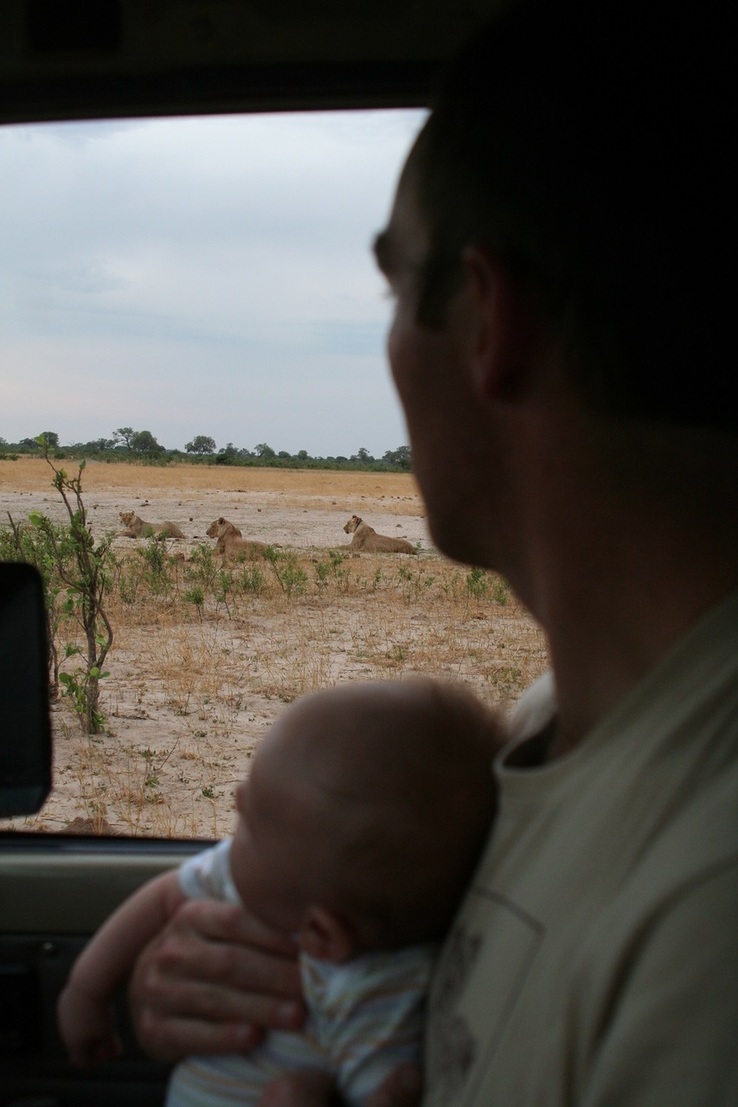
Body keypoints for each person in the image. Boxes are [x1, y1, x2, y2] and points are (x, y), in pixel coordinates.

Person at [128, 0, 738, 1103]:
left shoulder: (708, 912)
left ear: (488, 323)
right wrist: (228, 972)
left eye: (394, 287)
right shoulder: (557, 723)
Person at [58, 677, 499, 1105]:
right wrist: (86, 990)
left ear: (321, 933)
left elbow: (384, 1089)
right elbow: (161, 898)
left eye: (253, 823)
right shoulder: (256, 879)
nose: (237, 799)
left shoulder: (375, 995)